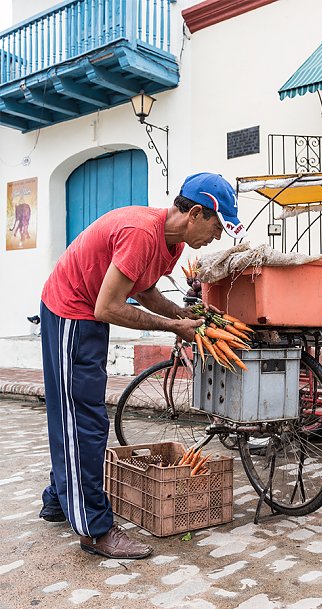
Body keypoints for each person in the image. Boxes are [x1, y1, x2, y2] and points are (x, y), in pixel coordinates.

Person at [39, 172, 246, 559]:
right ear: (196, 213)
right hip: (71, 312)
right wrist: (172, 326)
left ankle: (58, 498)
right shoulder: (141, 234)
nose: (216, 237)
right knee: (82, 420)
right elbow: (109, 306)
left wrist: (182, 314)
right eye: (217, 226)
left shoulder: (170, 244)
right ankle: (94, 530)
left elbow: (144, 289)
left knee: (77, 413)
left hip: (87, 316)